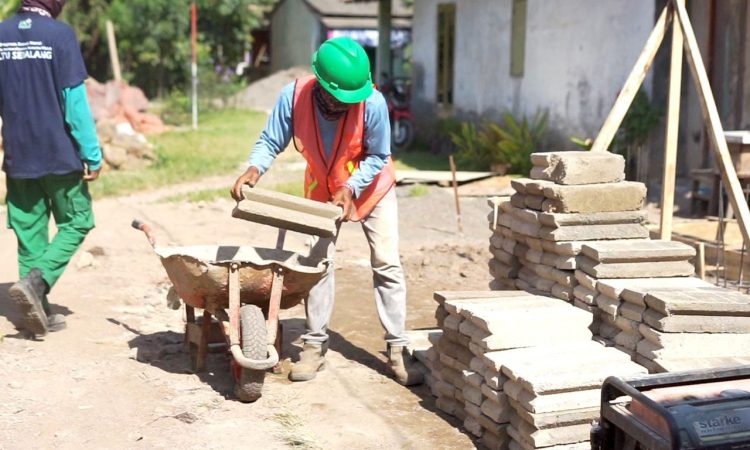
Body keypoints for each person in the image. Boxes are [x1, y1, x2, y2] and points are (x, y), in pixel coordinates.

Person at [231, 37, 422, 386]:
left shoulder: (373, 103)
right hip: (323, 189)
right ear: (320, 84)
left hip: (372, 188)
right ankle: (315, 345)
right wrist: (254, 169)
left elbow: (378, 156)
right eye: (338, 99)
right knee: (318, 264)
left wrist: (351, 187)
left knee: (386, 262)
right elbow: (272, 140)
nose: (345, 106)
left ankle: (397, 348)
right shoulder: (293, 97)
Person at [0, 0, 102, 336]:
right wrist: (92, 153)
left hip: (18, 156)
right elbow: (74, 101)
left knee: (30, 233)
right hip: (59, 155)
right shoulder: (59, 36)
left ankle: (38, 311)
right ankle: (38, 280)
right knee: (78, 220)